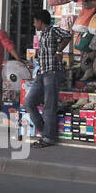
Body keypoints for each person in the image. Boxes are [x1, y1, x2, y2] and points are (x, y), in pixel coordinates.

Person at [27, 9, 71, 147]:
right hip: (42, 73)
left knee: (49, 106)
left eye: (35, 21)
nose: (34, 24)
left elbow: (67, 35)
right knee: (29, 103)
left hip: (52, 72)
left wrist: (59, 50)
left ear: (40, 21)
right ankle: (46, 132)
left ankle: (48, 138)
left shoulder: (52, 30)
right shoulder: (44, 35)